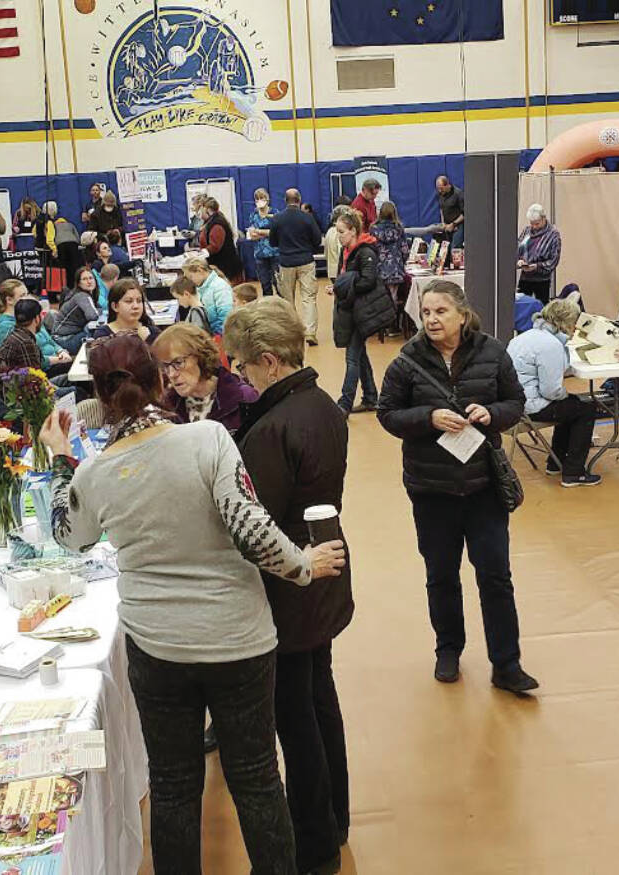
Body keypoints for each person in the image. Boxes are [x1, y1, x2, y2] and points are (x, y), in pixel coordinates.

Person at [39, 332, 344, 875]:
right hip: (238, 640)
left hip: (157, 647)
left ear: (101, 401)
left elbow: (71, 537)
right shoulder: (207, 439)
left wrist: (62, 459)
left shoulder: (95, 471)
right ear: (160, 383)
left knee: (174, 785)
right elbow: (250, 529)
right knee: (256, 778)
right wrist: (303, 565)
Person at [224, 299, 354, 875]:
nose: (241, 374)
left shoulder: (275, 426)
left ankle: (314, 840)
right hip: (323, 569)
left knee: (294, 717)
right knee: (319, 703)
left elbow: (260, 521)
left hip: (293, 582)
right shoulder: (321, 402)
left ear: (269, 362)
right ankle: (334, 816)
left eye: (244, 365)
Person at [377, 280, 538, 693]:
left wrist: (492, 413)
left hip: (483, 487)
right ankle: (447, 649)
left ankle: (506, 664)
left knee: (495, 577)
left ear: (462, 315)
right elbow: (388, 414)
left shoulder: (492, 352)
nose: (431, 319)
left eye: (440, 311)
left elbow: (516, 403)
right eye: (426, 312)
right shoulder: (407, 362)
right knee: (441, 575)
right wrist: (428, 418)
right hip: (431, 489)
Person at [508, 299, 601, 487]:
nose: (576, 327)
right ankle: (574, 472)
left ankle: (555, 462)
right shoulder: (550, 344)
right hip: (531, 407)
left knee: (571, 406)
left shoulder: (526, 336)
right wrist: (566, 394)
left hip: (516, 403)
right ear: (566, 322)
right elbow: (551, 391)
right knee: (586, 408)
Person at [330, 212, 391, 414]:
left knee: (352, 358)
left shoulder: (366, 253)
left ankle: (344, 403)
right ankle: (371, 397)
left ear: (353, 231)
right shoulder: (346, 251)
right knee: (360, 355)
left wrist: (345, 285)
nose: (338, 236)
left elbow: (368, 280)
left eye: (341, 232)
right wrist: (339, 286)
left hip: (361, 312)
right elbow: (344, 277)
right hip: (351, 310)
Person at [152, 322, 257, 433]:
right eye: (165, 366)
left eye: (178, 362)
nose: (172, 374)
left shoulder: (243, 398)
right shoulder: (166, 406)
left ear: (200, 356)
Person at [269, 188, 324, 343]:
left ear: (285, 201)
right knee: (309, 298)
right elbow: (317, 240)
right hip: (306, 261)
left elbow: (272, 242)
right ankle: (310, 332)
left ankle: (291, 332)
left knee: (287, 299)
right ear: (299, 200)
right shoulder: (307, 218)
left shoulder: (277, 219)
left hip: (286, 262)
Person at [0, 279, 69, 368]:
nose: (28, 298)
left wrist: (61, 351)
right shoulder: (4, 327)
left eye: (27, 294)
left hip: (55, 360)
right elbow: (19, 361)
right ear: (9, 300)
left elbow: (49, 340)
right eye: (22, 295)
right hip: (39, 370)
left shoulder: (30, 314)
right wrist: (57, 359)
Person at [372, 201, 410, 328]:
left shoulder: (374, 229)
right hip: (395, 268)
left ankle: (382, 323)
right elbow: (404, 250)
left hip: (379, 268)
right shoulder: (399, 229)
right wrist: (403, 261)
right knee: (393, 294)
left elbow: (371, 249)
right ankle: (392, 324)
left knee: (381, 296)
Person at [516, 204, 562, 305]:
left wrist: (536, 266)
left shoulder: (553, 235)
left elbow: (553, 261)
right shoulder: (527, 231)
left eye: (537, 223)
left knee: (541, 308)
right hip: (525, 278)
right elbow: (518, 248)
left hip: (542, 281)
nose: (534, 227)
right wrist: (519, 261)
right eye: (532, 223)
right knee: (520, 305)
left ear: (543, 218)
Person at [50, 268, 102, 355]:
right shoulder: (82, 296)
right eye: (84, 279)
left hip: (64, 337)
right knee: (98, 336)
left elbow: (98, 308)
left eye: (91, 278)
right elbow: (92, 316)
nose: (89, 281)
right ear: (78, 283)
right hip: (64, 339)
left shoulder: (81, 294)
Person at [95, 278, 160, 345]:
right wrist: (139, 341)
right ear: (115, 306)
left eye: (139, 301)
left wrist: (148, 340)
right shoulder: (103, 334)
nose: (135, 306)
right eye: (129, 301)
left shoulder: (152, 332)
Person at [196, 197, 245, 285]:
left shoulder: (217, 223)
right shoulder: (211, 221)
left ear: (208, 209)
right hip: (220, 265)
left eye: (200, 208)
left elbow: (215, 247)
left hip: (225, 268)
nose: (198, 212)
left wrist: (200, 254)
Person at [182, 253, 232, 335]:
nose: (190, 281)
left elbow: (226, 317)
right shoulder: (200, 287)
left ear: (199, 270)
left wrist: (214, 337)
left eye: (191, 277)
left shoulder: (220, 287)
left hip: (218, 336)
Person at [0, 298, 49, 374]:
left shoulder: (15, 335)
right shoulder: (26, 342)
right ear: (37, 318)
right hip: (25, 384)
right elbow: (35, 379)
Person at [245, 189, 278, 298]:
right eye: (257, 198)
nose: (260, 200)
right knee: (265, 283)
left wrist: (259, 231)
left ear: (267, 199)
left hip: (275, 253)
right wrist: (266, 232)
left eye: (262, 198)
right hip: (259, 254)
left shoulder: (275, 213)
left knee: (278, 283)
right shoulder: (253, 215)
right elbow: (251, 235)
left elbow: (276, 232)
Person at [434, 175, 466, 253]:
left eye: (441, 188)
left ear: (447, 185)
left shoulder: (458, 194)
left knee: (454, 249)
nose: (440, 191)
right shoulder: (440, 194)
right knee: (445, 252)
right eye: (438, 188)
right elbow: (441, 209)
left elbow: (465, 214)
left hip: (458, 226)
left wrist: (453, 224)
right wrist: (443, 223)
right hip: (447, 227)